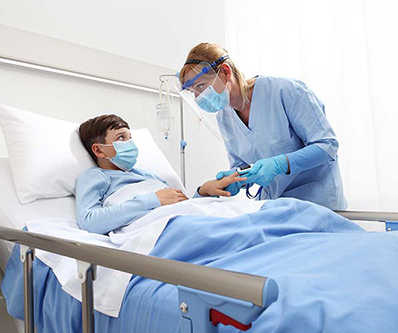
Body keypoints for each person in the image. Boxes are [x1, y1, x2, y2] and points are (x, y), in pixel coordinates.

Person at [179, 43, 347, 210]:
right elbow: (243, 165)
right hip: (276, 208)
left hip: (319, 204)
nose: (198, 97)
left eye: (200, 86)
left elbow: (327, 146)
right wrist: (236, 178)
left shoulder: (285, 91)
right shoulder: (224, 118)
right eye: (193, 91)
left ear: (225, 72)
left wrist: (280, 164)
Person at [76, 114, 242, 234]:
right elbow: (90, 222)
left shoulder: (149, 176)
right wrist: (153, 199)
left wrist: (203, 192)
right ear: (98, 150)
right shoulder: (95, 176)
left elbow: (183, 207)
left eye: (130, 138)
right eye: (121, 138)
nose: (130, 144)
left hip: (184, 219)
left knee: (251, 215)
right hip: (166, 228)